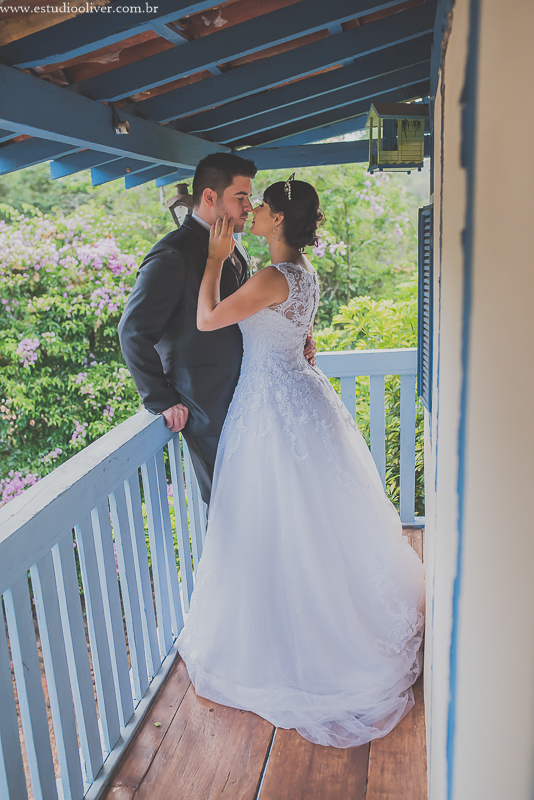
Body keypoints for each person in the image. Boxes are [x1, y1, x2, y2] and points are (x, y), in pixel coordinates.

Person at [177, 176, 426, 749]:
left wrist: (214, 261)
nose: (255, 213)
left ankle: (298, 641)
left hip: (268, 405)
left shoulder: (270, 275)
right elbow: (297, 330)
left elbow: (208, 319)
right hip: (296, 392)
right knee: (311, 520)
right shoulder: (303, 273)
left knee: (278, 520)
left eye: (262, 208)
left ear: (281, 221)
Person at [118, 152, 317, 504]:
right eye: (240, 197)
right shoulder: (173, 254)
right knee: (232, 510)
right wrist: (161, 399)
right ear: (210, 197)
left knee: (266, 506)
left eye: (251, 198)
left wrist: (291, 338)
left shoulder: (233, 249)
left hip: (249, 401)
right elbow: (133, 331)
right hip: (207, 408)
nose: (248, 207)